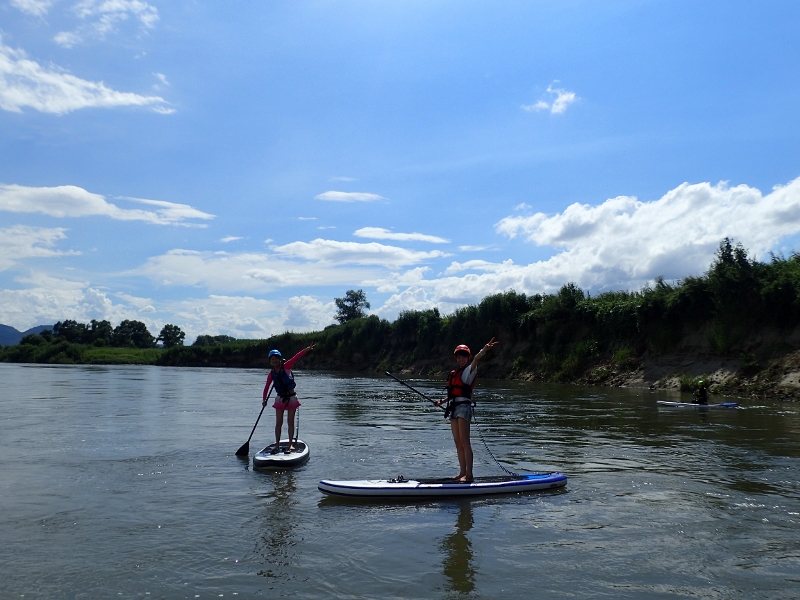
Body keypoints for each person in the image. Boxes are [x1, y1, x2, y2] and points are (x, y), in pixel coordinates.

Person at [434, 338, 499, 483]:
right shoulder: (454, 373)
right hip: (453, 408)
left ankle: (469, 475)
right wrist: (441, 402)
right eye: (459, 356)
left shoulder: (470, 370)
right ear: (456, 358)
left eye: (464, 356)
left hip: (464, 408)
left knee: (465, 442)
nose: (461, 359)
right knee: (458, 443)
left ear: (468, 357)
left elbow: (476, 359)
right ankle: (462, 472)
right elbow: (453, 394)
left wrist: (484, 349)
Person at [263, 343, 315, 453]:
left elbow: (296, 357)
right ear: (270, 361)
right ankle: (277, 445)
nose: (275, 361)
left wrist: (306, 350)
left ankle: (290, 444)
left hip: (291, 398)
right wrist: (264, 400)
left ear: (280, 359)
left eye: (276, 359)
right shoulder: (271, 374)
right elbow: (266, 387)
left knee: (290, 422)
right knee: (278, 423)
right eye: (272, 359)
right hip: (280, 399)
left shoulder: (286, 366)